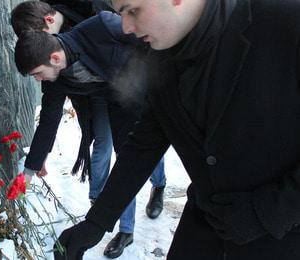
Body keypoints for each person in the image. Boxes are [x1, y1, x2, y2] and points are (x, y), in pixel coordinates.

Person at [55, 0, 300, 259]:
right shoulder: (161, 56)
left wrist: (267, 212)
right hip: (206, 225)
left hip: (286, 234)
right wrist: (96, 223)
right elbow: (144, 144)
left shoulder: (285, 20)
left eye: (133, 10)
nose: (126, 26)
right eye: (120, 13)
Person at [13, 10, 167, 258]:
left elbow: (152, 42)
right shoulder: (55, 80)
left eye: (37, 73)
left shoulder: (102, 25)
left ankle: (159, 185)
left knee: (151, 162)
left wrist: (164, 88)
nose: (38, 79)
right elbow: (49, 120)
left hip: (156, 95)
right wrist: (29, 171)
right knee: (125, 163)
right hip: (117, 107)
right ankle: (126, 231)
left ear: (53, 58)